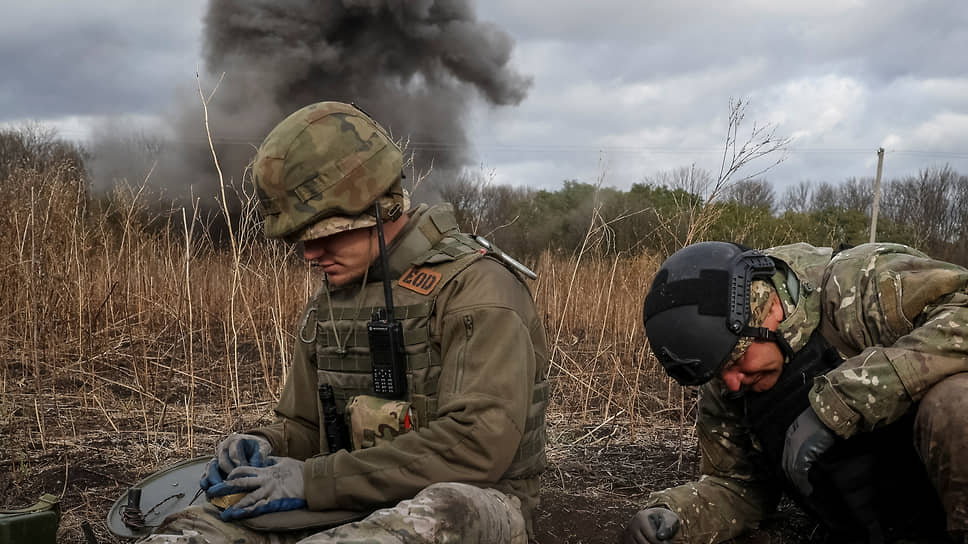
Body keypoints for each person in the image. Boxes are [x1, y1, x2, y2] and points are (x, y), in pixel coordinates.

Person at [142, 101, 549, 543]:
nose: (309, 254)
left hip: (475, 504)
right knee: (193, 531)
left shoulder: (477, 289)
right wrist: (266, 445)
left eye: (322, 234)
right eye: (299, 239)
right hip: (344, 498)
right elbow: (305, 426)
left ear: (378, 206)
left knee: (443, 510)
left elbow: (475, 447)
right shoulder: (331, 302)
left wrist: (314, 480)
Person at [625, 241, 968, 544]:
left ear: (771, 308)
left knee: (956, 405)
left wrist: (843, 400)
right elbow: (739, 485)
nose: (731, 382)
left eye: (737, 360)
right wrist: (678, 516)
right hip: (882, 524)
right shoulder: (728, 382)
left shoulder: (858, 285)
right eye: (718, 373)